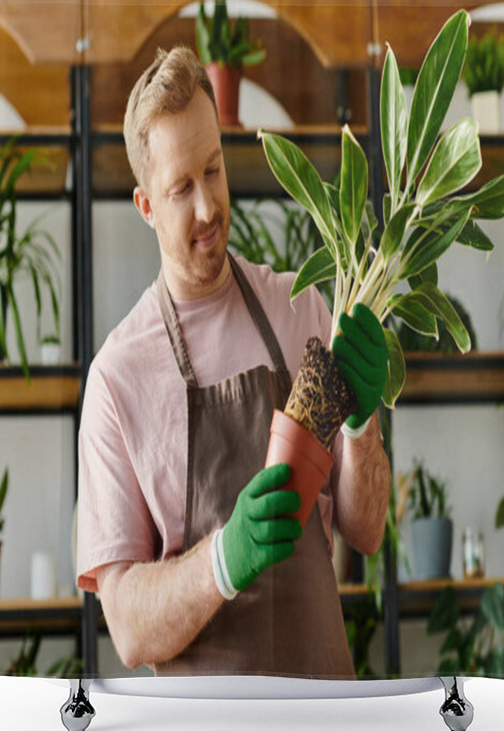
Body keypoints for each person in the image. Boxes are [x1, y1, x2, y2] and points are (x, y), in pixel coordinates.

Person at [76, 46, 392, 678]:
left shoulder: (299, 307)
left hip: (322, 717)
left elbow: (367, 529)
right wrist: (223, 560)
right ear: (145, 206)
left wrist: (361, 427)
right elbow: (128, 630)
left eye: (213, 171)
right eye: (181, 188)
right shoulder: (117, 378)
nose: (207, 208)